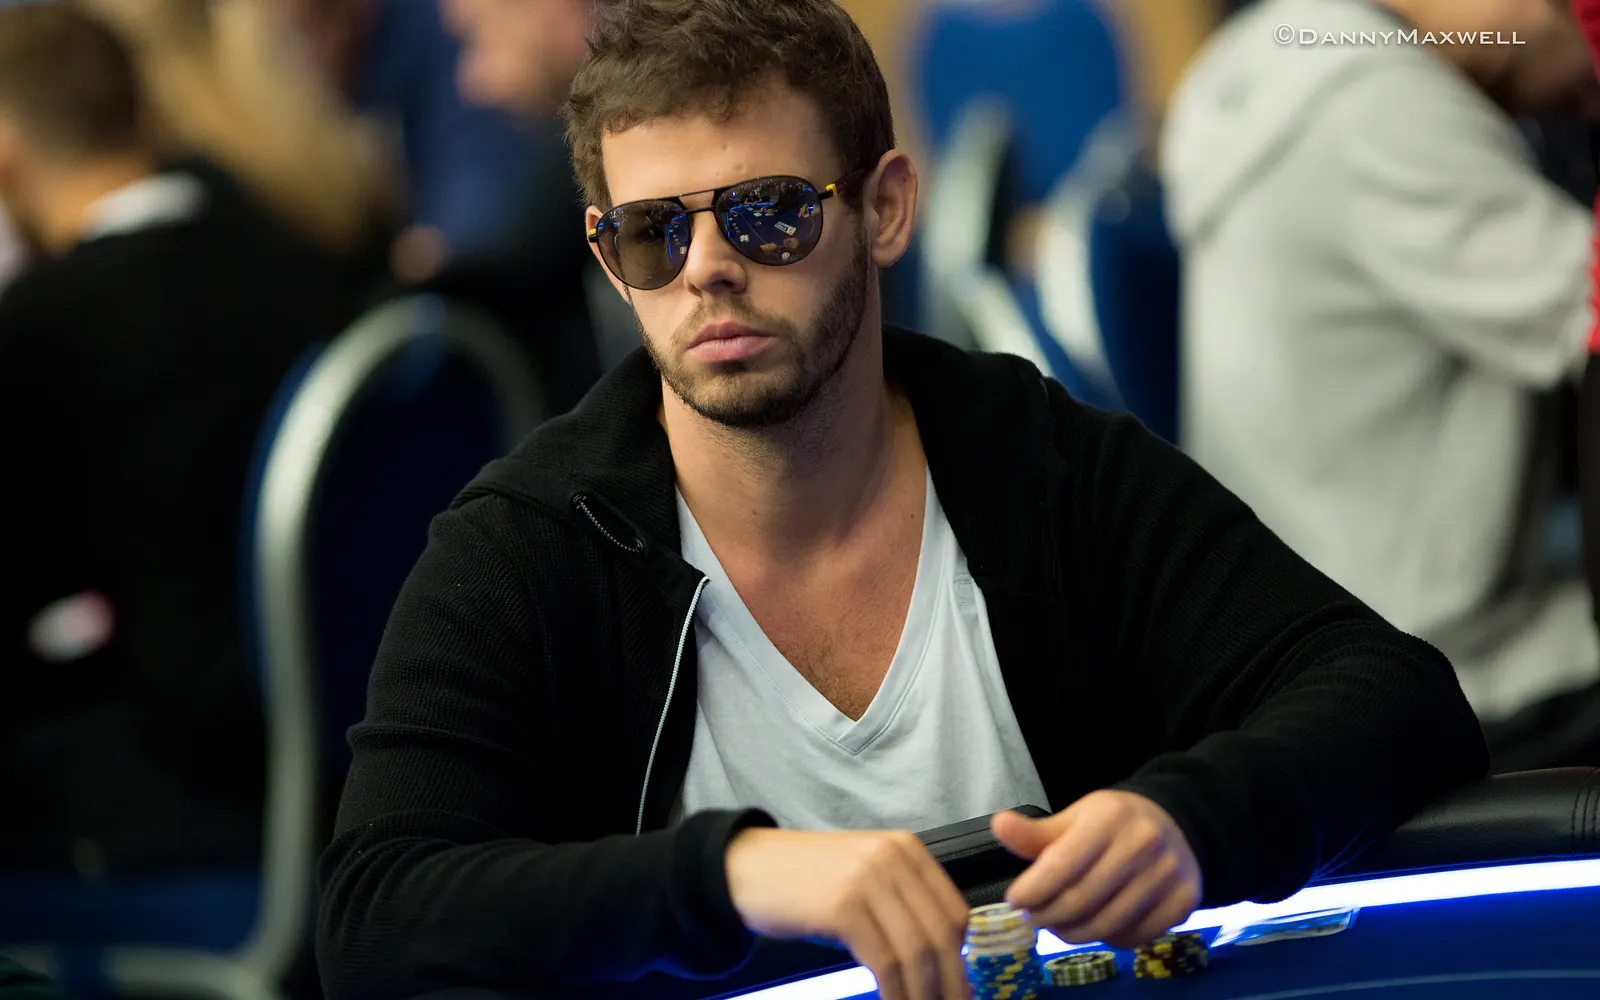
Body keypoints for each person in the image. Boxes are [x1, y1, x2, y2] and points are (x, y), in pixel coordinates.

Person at [315, 2, 1488, 999]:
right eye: (651, 233)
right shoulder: (530, 544)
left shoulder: (1040, 466)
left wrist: (1189, 819)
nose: (707, 267)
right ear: (607, 256)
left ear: (882, 208)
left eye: (769, 210)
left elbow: (1392, 693)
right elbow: (375, 911)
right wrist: (732, 873)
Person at [1163, 0, 1600, 771]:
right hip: (1439, 661)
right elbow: (1587, 310)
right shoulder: (1377, 110)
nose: (1589, 91)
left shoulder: (1272, 52)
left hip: (1322, 616)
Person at [0, 2, 349, 873]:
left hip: (186, 770)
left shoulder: (43, 326)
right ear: (144, 115)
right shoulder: (294, 258)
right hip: (357, 739)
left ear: (6, 154)